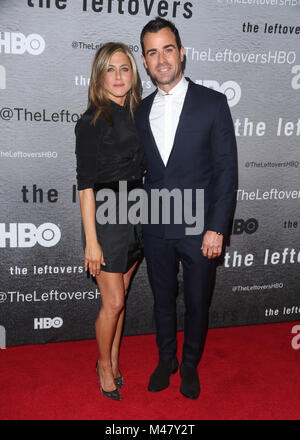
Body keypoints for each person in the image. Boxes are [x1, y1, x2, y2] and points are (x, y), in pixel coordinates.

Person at [135, 17, 237, 399]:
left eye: (168, 49)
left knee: (197, 301)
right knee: (162, 299)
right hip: (157, 225)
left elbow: (227, 170)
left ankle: (190, 363)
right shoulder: (141, 111)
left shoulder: (212, 103)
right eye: (152, 52)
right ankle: (167, 359)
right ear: (145, 62)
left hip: (199, 228)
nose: (161, 59)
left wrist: (217, 227)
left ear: (182, 53)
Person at [75, 42, 144, 401]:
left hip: (137, 211)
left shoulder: (139, 113)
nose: (118, 76)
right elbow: (85, 186)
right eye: (110, 69)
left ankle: (115, 359)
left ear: (133, 76)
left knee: (123, 296)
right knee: (113, 302)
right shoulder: (91, 122)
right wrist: (92, 241)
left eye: (125, 69)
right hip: (105, 215)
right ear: (99, 76)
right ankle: (103, 364)